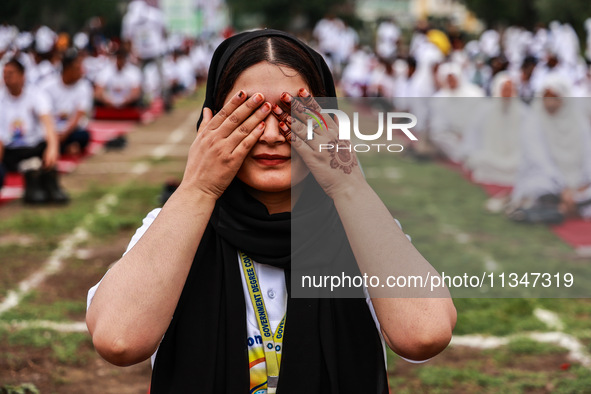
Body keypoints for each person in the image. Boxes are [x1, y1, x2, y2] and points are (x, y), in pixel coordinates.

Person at [86, 29, 456, 393]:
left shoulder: (362, 229)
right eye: (249, 112)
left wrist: (348, 185)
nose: (271, 135)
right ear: (211, 120)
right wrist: (199, 188)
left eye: (290, 113)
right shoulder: (172, 228)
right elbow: (119, 340)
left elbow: (424, 333)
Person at [509, 74, 591, 222]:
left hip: (578, 183)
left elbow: (588, 156)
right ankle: (563, 207)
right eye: (546, 96)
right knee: (539, 187)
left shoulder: (579, 122)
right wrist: (564, 188)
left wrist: (583, 184)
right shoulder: (533, 121)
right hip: (548, 179)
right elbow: (540, 161)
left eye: (554, 97)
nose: (549, 102)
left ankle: (563, 208)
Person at [0, 57, 68, 204]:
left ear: (22, 75)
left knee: (49, 147)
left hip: (33, 147)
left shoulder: (36, 95)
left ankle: (46, 179)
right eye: (4, 74)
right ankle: (32, 177)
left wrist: (52, 148)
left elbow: (48, 124)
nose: (6, 78)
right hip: (10, 151)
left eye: (10, 74)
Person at [40, 48, 92, 156]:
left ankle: (59, 147)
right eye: (77, 69)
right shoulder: (47, 86)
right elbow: (43, 113)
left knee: (84, 136)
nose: (81, 72)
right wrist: (52, 134)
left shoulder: (84, 87)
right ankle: (64, 148)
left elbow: (79, 114)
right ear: (68, 69)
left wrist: (64, 134)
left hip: (70, 132)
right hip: (50, 130)